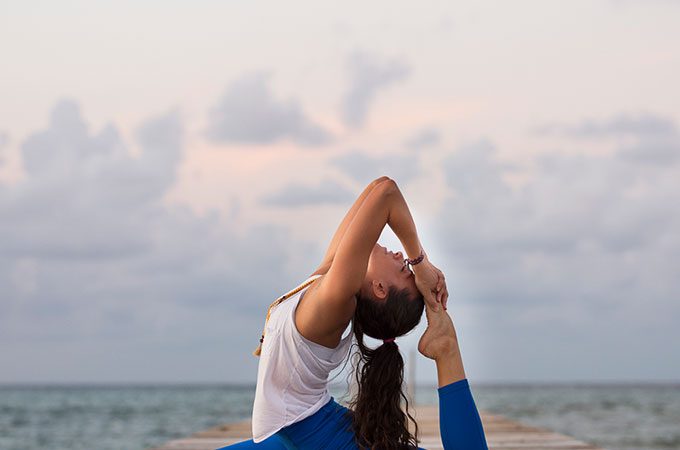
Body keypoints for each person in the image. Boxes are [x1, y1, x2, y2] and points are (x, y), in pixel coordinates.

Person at [218, 176, 488, 449]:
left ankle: (446, 348)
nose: (399, 256)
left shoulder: (334, 303)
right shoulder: (326, 282)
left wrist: (420, 264)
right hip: (313, 431)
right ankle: (445, 346)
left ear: (381, 288)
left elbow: (387, 195)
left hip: (316, 439)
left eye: (403, 268)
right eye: (406, 264)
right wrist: (419, 269)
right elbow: (378, 186)